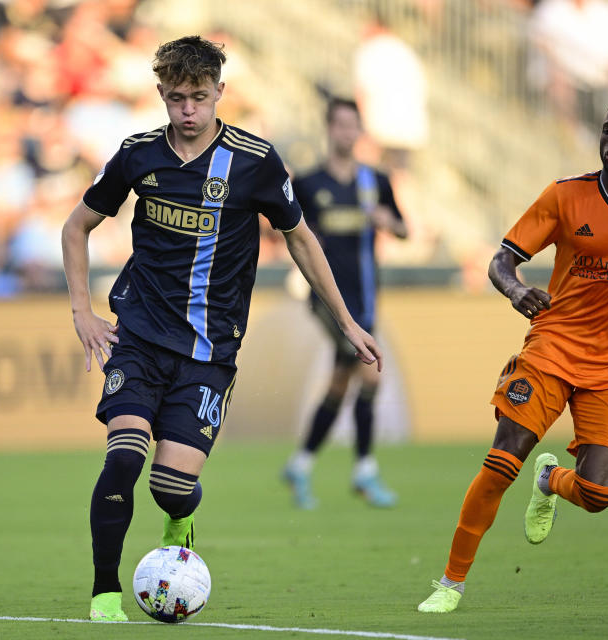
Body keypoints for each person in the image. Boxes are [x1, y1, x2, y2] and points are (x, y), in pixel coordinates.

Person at [61, 36, 383, 622]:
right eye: (177, 97)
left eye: (200, 98)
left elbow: (302, 239)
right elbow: (76, 226)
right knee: (125, 456)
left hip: (210, 353)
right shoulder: (137, 155)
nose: (188, 110)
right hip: (137, 335)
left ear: (219, 95)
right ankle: (105, 592)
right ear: (161, 94)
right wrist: (83, 311)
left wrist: (347, 321)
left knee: (169, 487)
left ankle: (179, 517)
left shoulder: (255, 161)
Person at [417, 96, 608, 613]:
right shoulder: (566, 196)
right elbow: (501, 260)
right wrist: (515, 289)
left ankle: (550, 481)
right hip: (552, 347)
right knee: (502, 461)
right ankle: (450, 582)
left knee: (599, 494)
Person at [281, 98, 407, 509]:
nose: (346, 133)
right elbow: (289, 233)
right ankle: (365, 471)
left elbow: (404, 228)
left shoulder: (374, 181)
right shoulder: (309, 183)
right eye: (340, 125)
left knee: (341, 382)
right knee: (370, 377)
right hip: (327, 300)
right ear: (329, 129)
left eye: (353, 126)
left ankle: (300, 465)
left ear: (359, 131)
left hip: (365, 299)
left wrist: (389, 223)